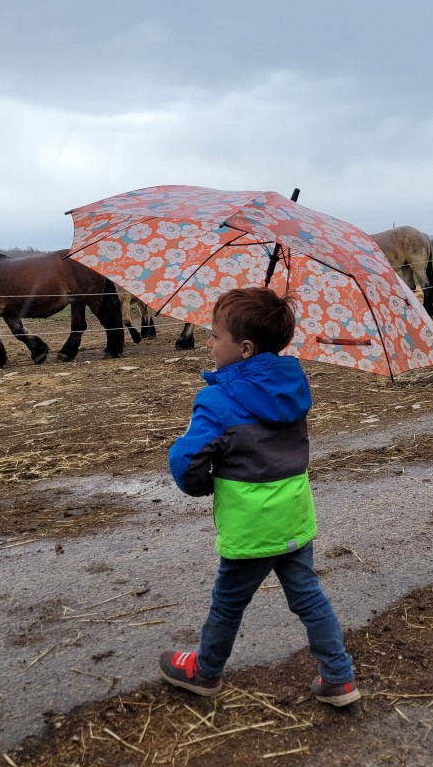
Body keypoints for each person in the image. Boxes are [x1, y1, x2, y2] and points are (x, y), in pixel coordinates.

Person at [160, 286, 360, 707]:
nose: (209, 342)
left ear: (245, 348)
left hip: (251, 527)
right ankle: (339, 677)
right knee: (308, 594)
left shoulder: (216, 399)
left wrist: (203, 483)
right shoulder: (293, 386)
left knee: (227, 604)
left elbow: (188, 463)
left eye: (215, 335)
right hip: (293, 515)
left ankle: (205, 671)